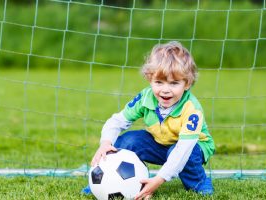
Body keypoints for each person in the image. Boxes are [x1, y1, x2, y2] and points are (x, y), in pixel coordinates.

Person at [83, 41, 215, 199]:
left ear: (186, 84)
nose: (165, 90)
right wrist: (105, 143)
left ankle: (199, 182)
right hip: (160, 142)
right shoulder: (145, 98)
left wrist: (159, 180)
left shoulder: (192, 109)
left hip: (192, 147)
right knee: (128, 141)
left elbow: (183, 150)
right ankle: (105, 183)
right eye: (159, 82)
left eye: (174, 83)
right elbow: (116, 121)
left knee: (182, 152)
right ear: (149, 79)